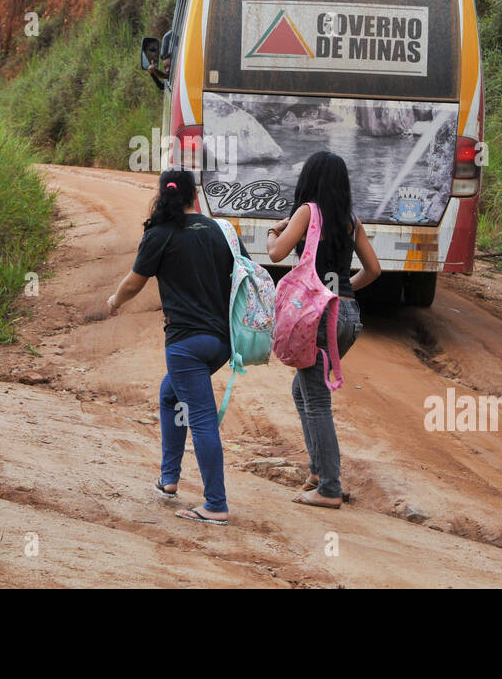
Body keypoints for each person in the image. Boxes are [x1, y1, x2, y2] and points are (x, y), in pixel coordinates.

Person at [105, 169, 248, 526]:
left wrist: (113, 301)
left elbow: (133, 282)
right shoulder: (221, 231)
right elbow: (245, 275)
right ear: (194, 197)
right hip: (221, 342)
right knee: (171, 395)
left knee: (201, 419)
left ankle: (215, 504)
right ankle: (168, 479)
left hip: (185, 345)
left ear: (162, 196)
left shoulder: (159, 234)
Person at [266, 150, 381, 508]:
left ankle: (329, 487)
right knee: (304, 391)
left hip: (319, 320)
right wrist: (340, 293)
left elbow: (275, 254)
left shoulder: (306, 212)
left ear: (309, 180)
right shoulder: (351, 221)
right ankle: (317, 471)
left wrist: (275, 230)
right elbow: (374, 270)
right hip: (348, 316)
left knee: (316, 399)